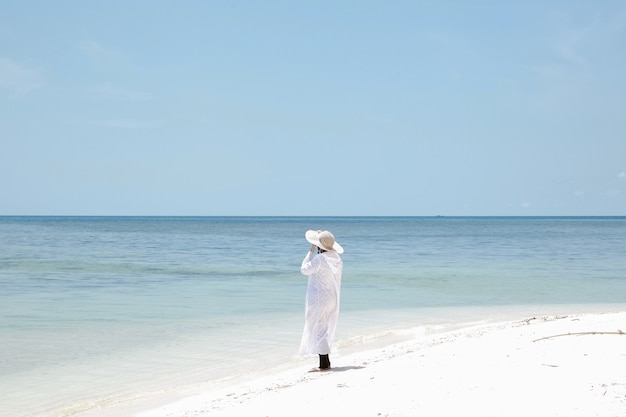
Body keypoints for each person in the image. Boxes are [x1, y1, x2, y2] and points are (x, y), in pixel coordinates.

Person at [299, 230, 344, 370]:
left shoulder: (319, 259)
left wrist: (310, 252)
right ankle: (326, 361)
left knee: (320, 329)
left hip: (320, 299)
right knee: (324, 328)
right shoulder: (337, 260)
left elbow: (304, 270)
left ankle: (324, 363)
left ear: (319, 246)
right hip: (332, 298)